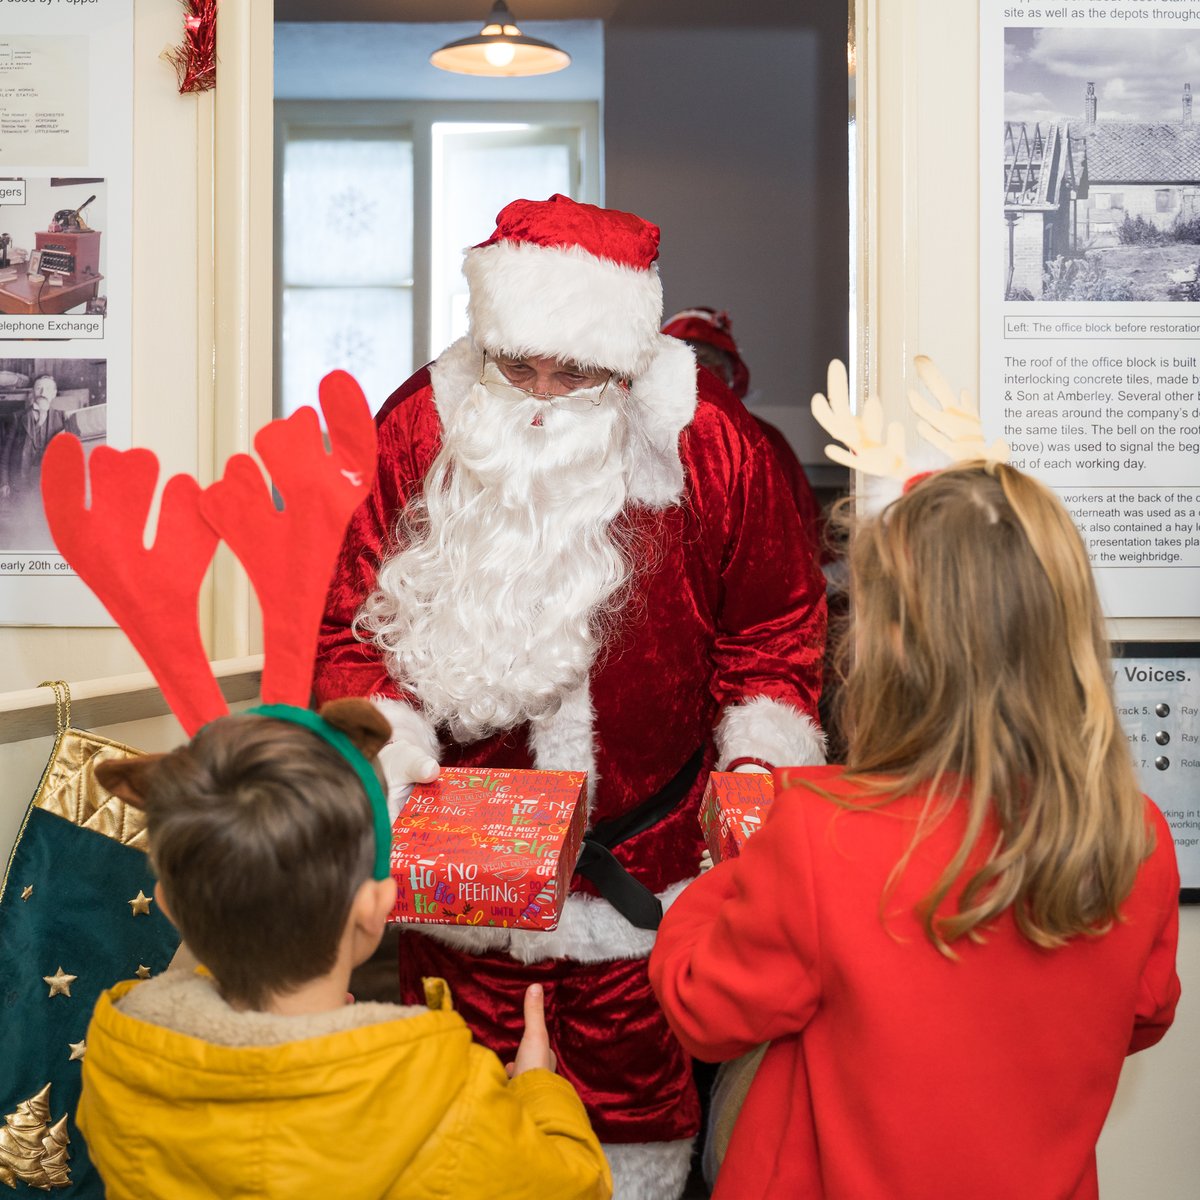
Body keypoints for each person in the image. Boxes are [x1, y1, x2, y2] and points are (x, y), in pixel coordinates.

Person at [315, 193, 827, 1197]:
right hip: (459, 874)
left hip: (651, 878)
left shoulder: (718, 448)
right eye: (519, 367)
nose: (542, 396)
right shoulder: (420, 426)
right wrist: (393, 751)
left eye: (578, 373)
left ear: (628, 364)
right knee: (453, 1123)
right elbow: (348, 622)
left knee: (638, 1129)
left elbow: (774, 635)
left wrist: (757, 775)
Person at [649, 461, 1181, 1199]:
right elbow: (1145, 1014)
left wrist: (722, 882)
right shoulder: (1136, 836)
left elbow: (701, 1003)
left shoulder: (818, 830)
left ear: (893, 649)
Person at [77, 699, 612, 1200]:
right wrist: (540, 1091)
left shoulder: (115, 1063)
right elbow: (575, 1185)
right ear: (377, 908)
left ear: (168, 903)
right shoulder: (444, 1100)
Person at [660, 307, 827, 565]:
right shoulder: (638, 435)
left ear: (728, 372)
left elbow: (800, 535)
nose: (696, 370)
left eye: (705, 358)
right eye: (682, 355)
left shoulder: (764, 439)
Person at [0, 375, 62, 499]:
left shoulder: (62, 418)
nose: (43, 393)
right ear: (33, 391)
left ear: (54, 394)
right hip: (21, 483)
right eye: (39, 388)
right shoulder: (17, 417)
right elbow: (5, 454)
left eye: (48, 389)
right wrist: (4, 482)